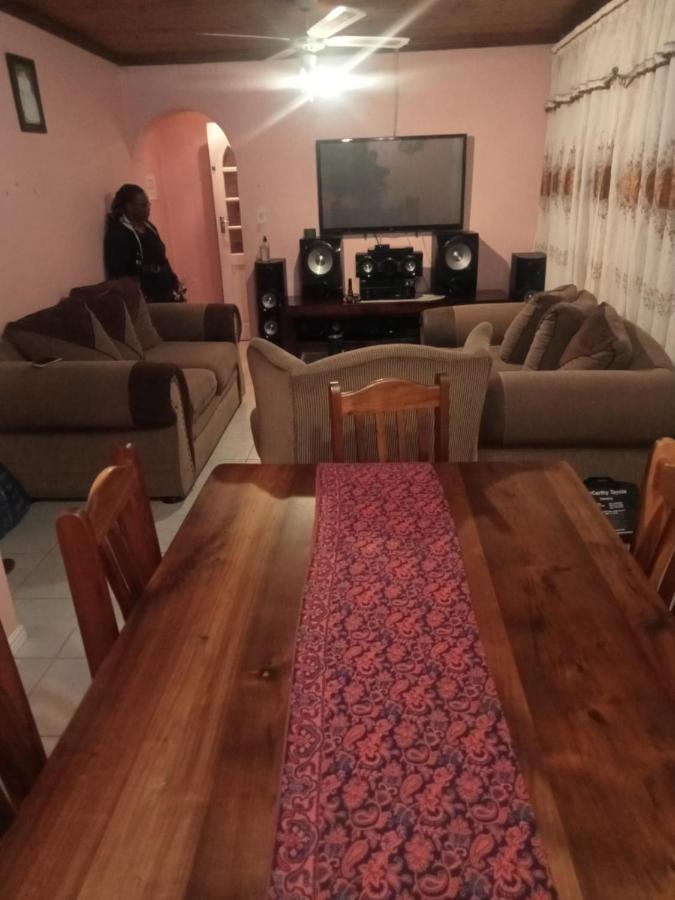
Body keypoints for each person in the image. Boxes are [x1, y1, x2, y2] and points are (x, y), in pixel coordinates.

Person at [104, 184, 185, 302]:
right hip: (146, 297)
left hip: (165, 289)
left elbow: (161, 258)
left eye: (148, 204)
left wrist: (174, 280)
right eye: (143, 205)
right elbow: (120, 275)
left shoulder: (149, 227)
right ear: (129, 207)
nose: (148, 208)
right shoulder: (119, 234)